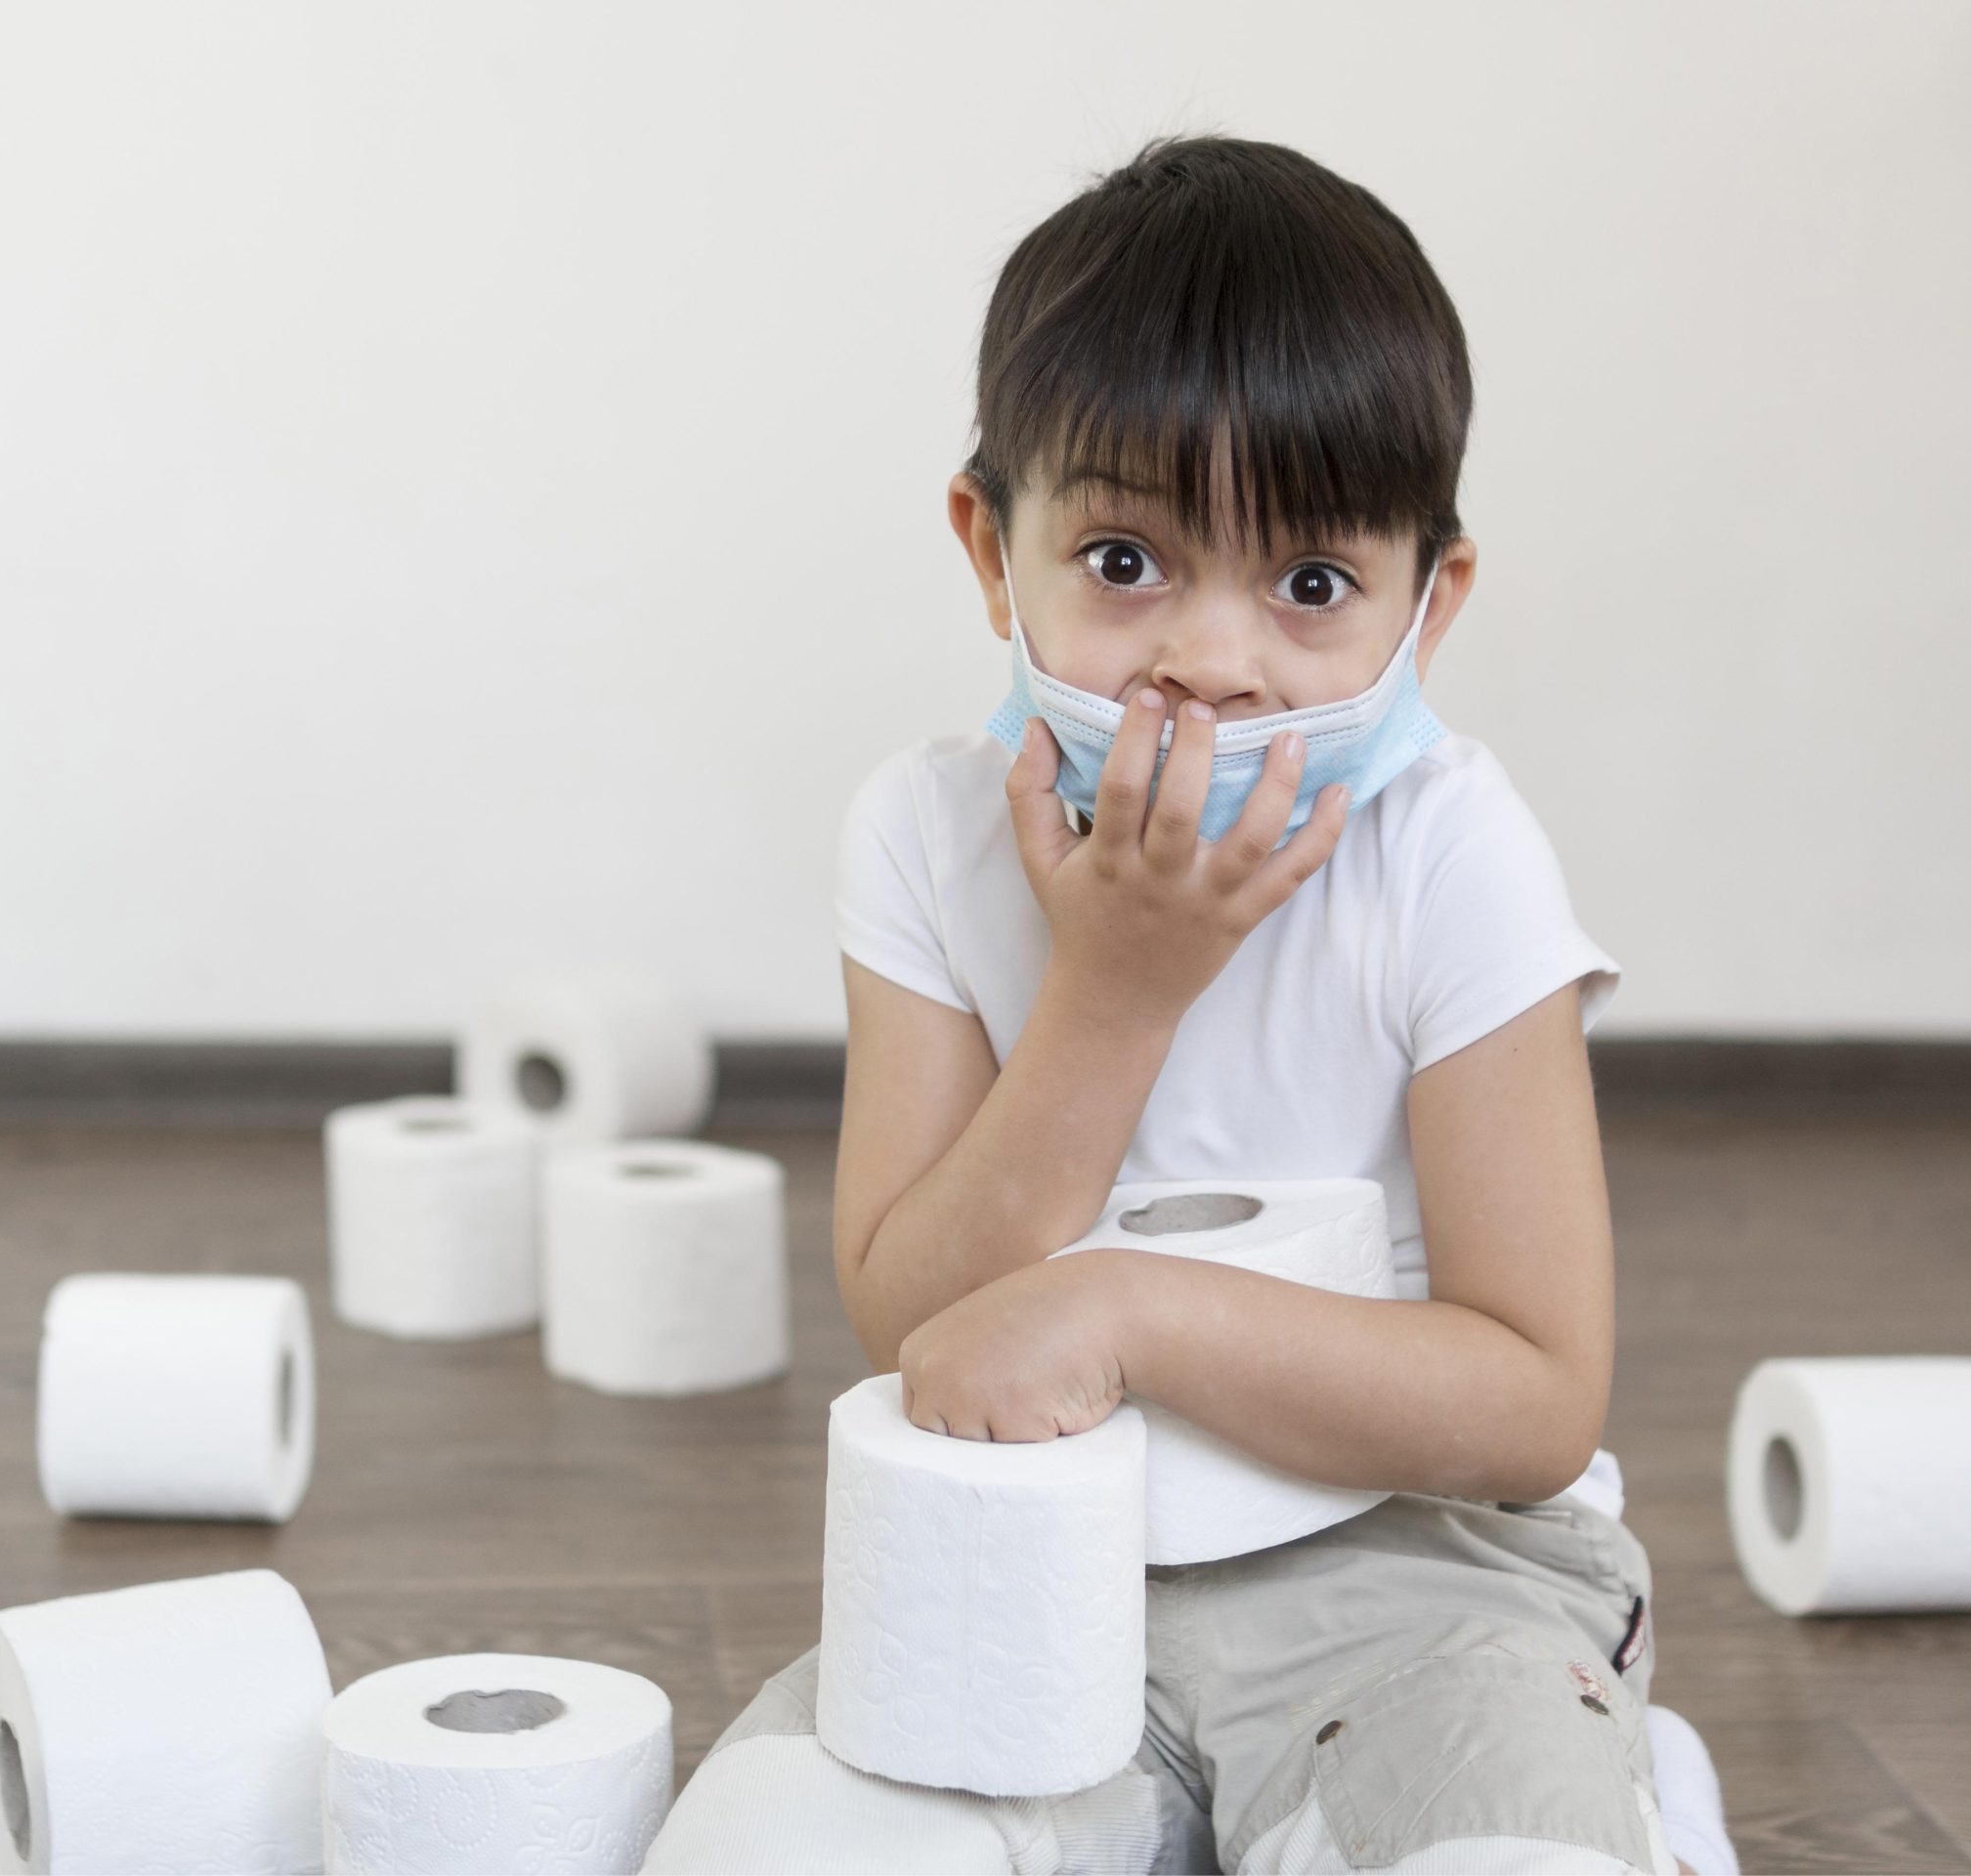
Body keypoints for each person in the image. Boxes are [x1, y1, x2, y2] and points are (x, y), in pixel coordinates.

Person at [644, 135, 1737, 1875]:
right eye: (1127, 561)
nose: (1213, 659)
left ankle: (1612, 1785)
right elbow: (909, 1318)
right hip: (1041, 1560)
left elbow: (1537, 1397)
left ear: (1423, 608)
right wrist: (1113, 992)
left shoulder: (1452, 854)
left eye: (1311, 586)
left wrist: (1133, 1313)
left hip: (1431, 1578)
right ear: (993, 552)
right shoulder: (927, 836)